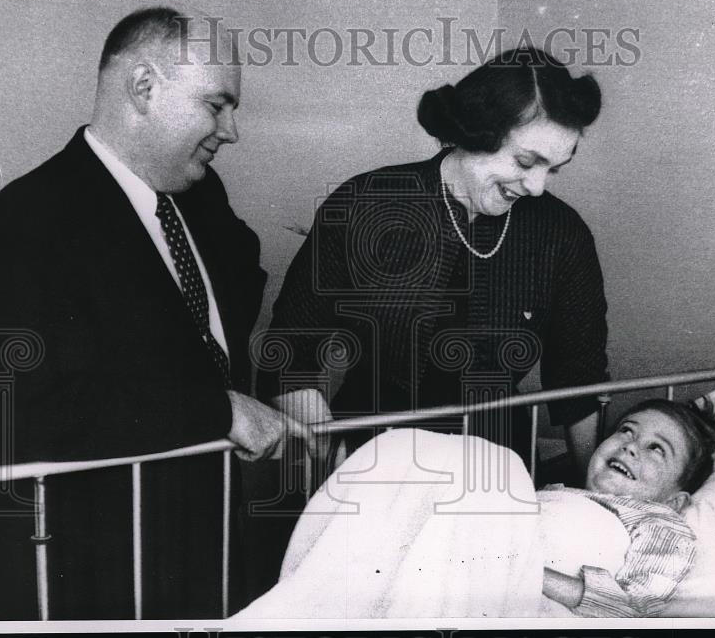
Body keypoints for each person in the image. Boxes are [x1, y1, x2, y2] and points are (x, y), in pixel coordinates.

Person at [0, 7, 301, 619]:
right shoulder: (27, 218)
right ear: (144, 88)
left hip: (193, 543)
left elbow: (218, 309)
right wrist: (220, 409)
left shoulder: (198, 195)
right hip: (75, 558)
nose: (231, 131)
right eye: (216, 105)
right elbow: (45, 405)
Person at [256, 47, 609, 473]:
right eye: (525, 162)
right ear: (474, 131)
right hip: (370, 458)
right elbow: (290, 354)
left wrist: (602, 497)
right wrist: (334, 460)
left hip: (494, 470)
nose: (536, 187)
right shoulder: (365, 204)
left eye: (553, 169)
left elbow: (578, 383)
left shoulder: (562, 234)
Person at [541, 397, 715, 617]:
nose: (630, 446)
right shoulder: (556, 491)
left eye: (656, 448)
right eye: (626, 430)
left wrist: (530, 573)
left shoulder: (660, 520)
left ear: (674, 502)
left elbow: (632, 608)